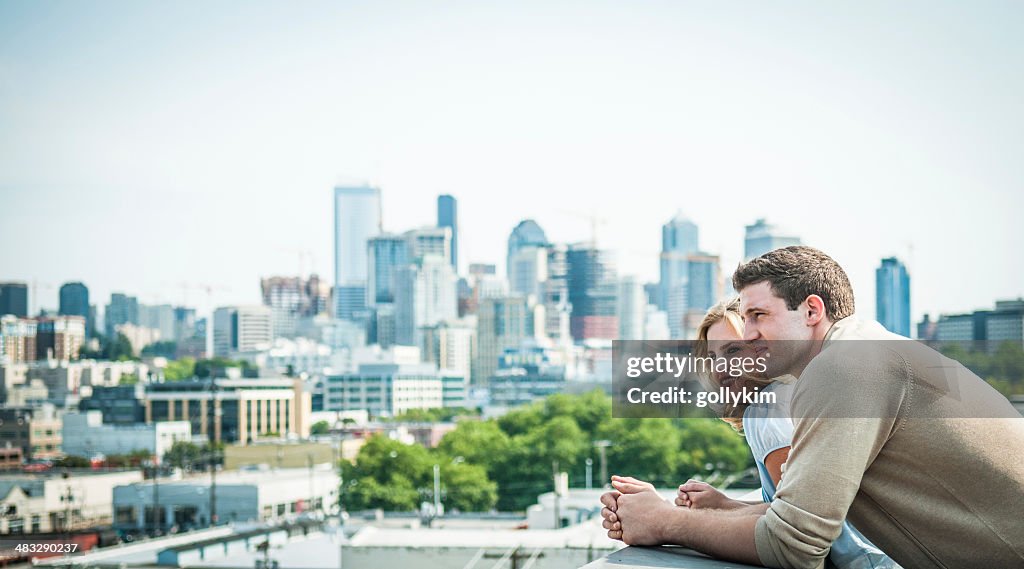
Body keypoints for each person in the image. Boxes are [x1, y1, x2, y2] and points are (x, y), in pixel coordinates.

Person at [600, 246, 1024, 568]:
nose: (748, 334)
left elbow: (795, 545)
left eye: (758, 315)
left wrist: (663, 522)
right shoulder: (873, 349)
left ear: (811, 310)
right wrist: (726, 509)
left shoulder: (844, 367)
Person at [674, 298, 899, 569]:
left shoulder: (765, 412)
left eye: (733, 350)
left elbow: (797, 523)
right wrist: (725, 504)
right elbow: (801, 503)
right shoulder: (796, 394)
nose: (720, 368)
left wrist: (665, 521)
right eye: (712, 357)